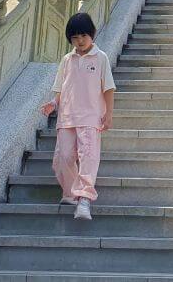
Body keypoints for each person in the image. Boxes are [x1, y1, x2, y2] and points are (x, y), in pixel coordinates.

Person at [39, 12, 116, 222]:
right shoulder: (67, 59)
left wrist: (108, 114)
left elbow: (108, 88)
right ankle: (71, 193)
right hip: (66, 117)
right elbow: (61, 88)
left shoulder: (101, 58)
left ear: (91, 35)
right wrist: (54, 103)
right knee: (63, 158)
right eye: (74, 37)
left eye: (83, 36)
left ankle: (84, 199)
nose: (79, 41)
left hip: (91, 117)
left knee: (88, 157)